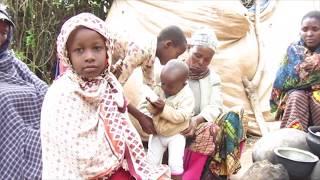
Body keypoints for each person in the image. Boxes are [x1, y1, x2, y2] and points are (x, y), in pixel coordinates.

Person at [40, 12, 170, 179]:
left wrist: (145, 113)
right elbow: (65, 145)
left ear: (108, 50)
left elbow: (123, 101)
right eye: (79, 50)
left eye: (97, 48)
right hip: (77, 172)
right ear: (68, 55)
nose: (89, 57)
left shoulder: (108, 82)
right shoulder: (61, 92)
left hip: (112, 163)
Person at [56, 25, 188, 136]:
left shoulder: (150, 53)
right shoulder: (142, 50)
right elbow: (114, 89)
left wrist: (161, 107)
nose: (175, 59)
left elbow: (149, 85)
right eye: (177, 54)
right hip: (84, 73)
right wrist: (140, 117)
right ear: (168, 44)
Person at [180, 28, 245, 180]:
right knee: (211, 128)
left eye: (207, 59)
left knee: (236, 114)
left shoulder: (213, 78)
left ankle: (220, 171)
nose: (201, 62)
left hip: (201, 125)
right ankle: (191, 175)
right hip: (177, 125)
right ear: (189, 48)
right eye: (197, 56)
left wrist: (196, 120)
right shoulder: (174, 70)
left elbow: (216, 106)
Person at [0, 6, 48, 179]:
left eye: (3, 33)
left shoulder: (12, 63)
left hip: (38, 140)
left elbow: (44, 90)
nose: (0, 38)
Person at [138, 60, 195, 180]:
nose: (165, 88)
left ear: (183, 84)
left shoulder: (188, 95)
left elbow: (182, 116)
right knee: (151, 162)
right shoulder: (160, 88)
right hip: (157, 133)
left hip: (176, 134)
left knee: (175, 164)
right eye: (163, 83)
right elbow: (143, 106)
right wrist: (151, 106)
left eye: (170, 86)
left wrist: (163, 109)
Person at [270, 10, 320, 131]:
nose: (309, 33)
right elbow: (283, 83)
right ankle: (292, 140)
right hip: (294, 94)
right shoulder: (292, 51)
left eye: (315, 29)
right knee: (297, 97)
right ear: (300, 31)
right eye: (305, 29)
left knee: (317, 96)